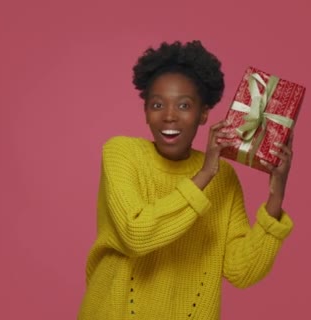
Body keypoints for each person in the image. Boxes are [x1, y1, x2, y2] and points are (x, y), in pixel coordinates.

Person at [78, 40, 295, 319]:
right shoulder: (121, 153)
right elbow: (137, 235)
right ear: (146, 111)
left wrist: (276, 196)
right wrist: (205, 174)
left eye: (184, 105)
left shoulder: (224, 177)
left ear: (203, 113)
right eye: (157, 104)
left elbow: (242, 271)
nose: (169, 116)